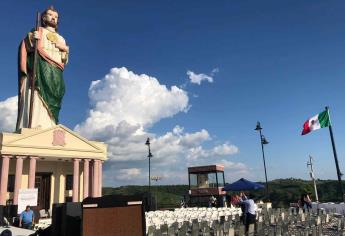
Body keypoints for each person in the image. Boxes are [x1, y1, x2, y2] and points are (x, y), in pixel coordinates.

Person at [16, 6, 69, 131]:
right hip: (40, 69)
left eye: (56, 17)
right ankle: (35, 123)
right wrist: (31, 40)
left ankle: (50, 124)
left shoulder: (61, 38)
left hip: (56, 71)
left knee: (56, 95)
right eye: (50, 15)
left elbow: (64, 60)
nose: (53, 18)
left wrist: (65, 49)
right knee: (37, 92)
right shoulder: (37, 31)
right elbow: (26, 48)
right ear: (44, 17)